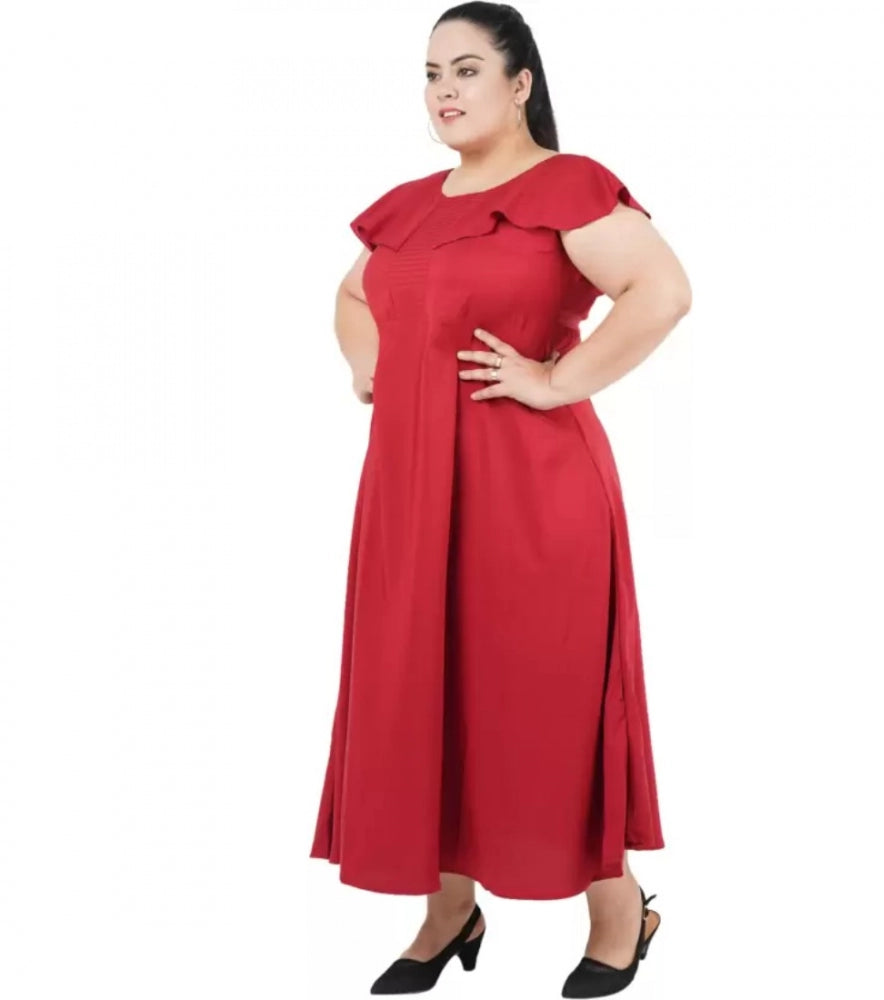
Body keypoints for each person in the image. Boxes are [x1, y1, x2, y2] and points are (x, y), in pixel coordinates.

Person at [309, 3, 692, 995]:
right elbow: (353, 297)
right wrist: (370, 366)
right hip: (408, 493)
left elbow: (661, 290)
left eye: (468, 69)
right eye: (431, 72)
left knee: (543, 702)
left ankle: (620, 914)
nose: (443, 89)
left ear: (521, 84)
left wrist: (558, 381)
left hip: (532, 493)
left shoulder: (567, 186)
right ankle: (449, 910)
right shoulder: (407, 205)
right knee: (423, 692)